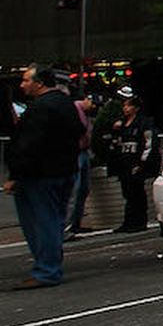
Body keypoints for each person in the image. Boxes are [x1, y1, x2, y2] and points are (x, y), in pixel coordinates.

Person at [5, 65, 85, 289]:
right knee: (54, 221)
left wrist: (15, 174)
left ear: (39, 83)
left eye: (25, 80)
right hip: (64, 170)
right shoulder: (64, 103)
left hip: (39, 175)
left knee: (41, 223)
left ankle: (47, 270)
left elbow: (29, 145)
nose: (22, 85)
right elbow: (79, 131)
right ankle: (50, 266)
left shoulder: (40, 108)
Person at [105, 89, 157, 233]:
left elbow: (149, 144)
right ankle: (129, 221)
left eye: (128, 106)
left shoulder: (144, 123)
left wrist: (142, 163)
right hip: (124, 163)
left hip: (136, 162)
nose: (125, 108)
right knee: (127, 193)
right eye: (124, 106)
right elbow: (115, 143)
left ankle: (139, 221)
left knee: (137, 192)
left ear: (136, 108)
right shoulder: (121, 124)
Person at [65, 83, 96, 239]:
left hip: (83, 151)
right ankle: (68, 226)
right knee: (75, 189)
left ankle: (75, 223)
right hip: (75, 152)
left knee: (83, 189)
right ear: (86, 99)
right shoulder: (75, 109)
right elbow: (81, 130)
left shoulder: (85, 112)